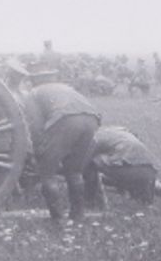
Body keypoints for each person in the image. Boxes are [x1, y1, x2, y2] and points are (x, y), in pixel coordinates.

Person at [7, 62, 100, 225]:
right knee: (75, 172)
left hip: (65, 120)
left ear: (34, 81)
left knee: (47, 174)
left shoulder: (34, 93)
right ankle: (78, 215)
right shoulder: (66, 88)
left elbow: (35, 125)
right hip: (92, 119)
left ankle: (58, 220)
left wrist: (39, 152)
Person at [81, 124, 161, 206]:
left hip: (127, 170)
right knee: (149, 197)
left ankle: (93, 204)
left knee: (90, 162)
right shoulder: (119, 131)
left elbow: (82, 164)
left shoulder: (95, 137)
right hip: (149, 170)